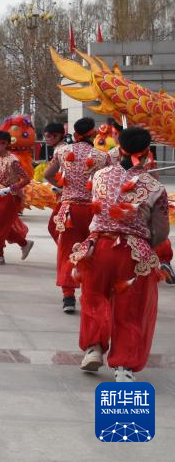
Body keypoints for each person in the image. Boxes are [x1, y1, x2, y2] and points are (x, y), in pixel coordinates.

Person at [73, 127, 168, 382]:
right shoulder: (155, 187)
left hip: (99, 248)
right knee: (130, 308)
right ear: (147, 152)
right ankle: (123, 366)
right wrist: (145, 242)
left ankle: (94, 348)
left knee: (94, 297)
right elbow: (161, 231)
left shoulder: (100, 175)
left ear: (119, 148)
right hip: (133, 254)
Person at [43, 117, 109, 313]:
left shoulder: (62, 151)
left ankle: (68, 296)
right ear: (93, 133)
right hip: (93, 211)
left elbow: (47, 174)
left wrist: (62, 187)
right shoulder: (102, 156)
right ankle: (90, 293)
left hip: (69, 210)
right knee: (92, 251)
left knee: (66, 252)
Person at [0, 130, 34, 265]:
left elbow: (26, 179)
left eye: (0, 143)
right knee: (3, 225)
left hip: (12, 196)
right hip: (1, 194)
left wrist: (10, 188)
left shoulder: (13, 161)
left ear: (6, 144)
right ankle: (24, 243)